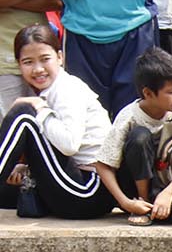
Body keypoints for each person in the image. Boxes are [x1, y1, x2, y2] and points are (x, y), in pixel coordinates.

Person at [0, 23, 112, 219]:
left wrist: (40, 108)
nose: (38, 69)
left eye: (45, 59)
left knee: (24, 114)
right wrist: (26, 168)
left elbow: (69, 144)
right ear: (19, 65)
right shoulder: (48, 91)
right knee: (4, 192)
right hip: (71, 182)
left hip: (89, 190)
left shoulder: (67, 88)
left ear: (60, 57)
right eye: (28, 62)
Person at [94, 47, 172, 227]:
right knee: (139, 137)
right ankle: (143, 203)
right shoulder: (129, 116)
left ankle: (155, 207)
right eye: (171, 92)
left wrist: (168, 193)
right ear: (148, 93)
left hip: (168, 182)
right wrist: (126, 202)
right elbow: (103, 165)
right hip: (134, 186)